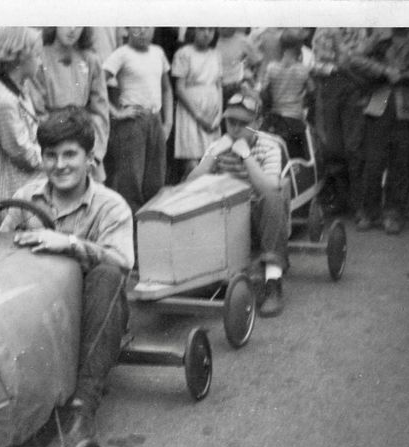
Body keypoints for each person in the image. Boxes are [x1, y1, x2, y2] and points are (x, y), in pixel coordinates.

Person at [0, 107, 133, 447]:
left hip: (94, 311)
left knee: (107, 274)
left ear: (89, 158)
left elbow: (122, 260)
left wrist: (71, 244)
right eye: (51, 156)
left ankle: (83, 403)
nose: (60, 165)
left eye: (70, 155)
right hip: (37, 308)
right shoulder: (25, 197)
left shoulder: (111, 205)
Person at [186, 91, 288, 317]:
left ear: (258, 123)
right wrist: (213, 155)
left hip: (258, 218)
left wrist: (246, 157)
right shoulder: (219, 146)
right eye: (231, 121)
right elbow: (189, 185)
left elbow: (271, 189)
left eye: (244, 123)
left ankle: (273, 283)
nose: (235, 128)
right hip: (227, 217)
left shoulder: (269, 146)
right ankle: (205, 275)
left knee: (273, 199)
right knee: (197, 198)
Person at [347, 27, 409, 235]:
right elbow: (354, 59)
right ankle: (369, 212)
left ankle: (393, 214)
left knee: (400, 164)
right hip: (379, 103)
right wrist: (384, 71)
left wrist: (401, 75)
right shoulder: (380, 34)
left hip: (406, 107)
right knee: (373, 162)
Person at [103, 26, 174, 214]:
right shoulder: (121, 54)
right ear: (128, 28)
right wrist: (116, 112)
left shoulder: (158, 53)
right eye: (137, 26)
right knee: (130, 181)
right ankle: (131, 232)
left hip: (155, 120)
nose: (142, 31)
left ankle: (151, 229)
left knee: (156, 180)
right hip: (132, 122)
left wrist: (168, 123)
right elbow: (98, 83)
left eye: (147, 26)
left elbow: (166, 89)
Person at [32, 27, 110, 183]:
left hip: (85, 143)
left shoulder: (90, 59)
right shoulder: (39, 59)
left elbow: (100, 111)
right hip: (53, 144)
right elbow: (37, 111)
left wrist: (94, 154)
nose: (72, 29)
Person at [0, 26, 44, 217]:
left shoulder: (18, 88)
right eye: (37, 55)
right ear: (20, 57)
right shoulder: (4, 101)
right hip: (12, 199)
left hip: (24, 192)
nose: (41, 62)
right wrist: (55, 155)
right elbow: (24, 155)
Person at [310, 27, 369, 216]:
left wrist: (344, 63)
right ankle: (342, 200)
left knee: (354, 147)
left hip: (353, 86)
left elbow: (359, 59)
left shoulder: (358, 28)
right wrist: (334, 67)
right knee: (333, 147)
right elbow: (315, 64)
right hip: (329, 86)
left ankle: (360, 204)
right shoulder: (323, 29)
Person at [172, 27, 223, 177]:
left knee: (212, 161)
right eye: (202, 29)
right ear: (193, 31)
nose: (207, 34)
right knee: (193, 165)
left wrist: (218, 115)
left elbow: (218, 85)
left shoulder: (216, 54)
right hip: (191, 113)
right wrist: (199, 116)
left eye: (211, 30)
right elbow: (180, 89)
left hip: (212, 113)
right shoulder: (184, 53)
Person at [260, 30, 314, 159]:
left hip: (275, 120)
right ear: (298, 48)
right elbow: (312, 92)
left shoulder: (271, 68)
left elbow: (264, 93)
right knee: (297, 158)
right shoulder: (303, 70)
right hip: (295, 120)